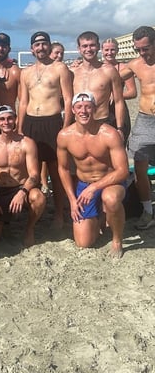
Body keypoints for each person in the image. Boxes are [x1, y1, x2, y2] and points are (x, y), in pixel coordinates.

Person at [57, 92, 128, 258]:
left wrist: (95, 187)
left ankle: (117, 239)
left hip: (111, 183)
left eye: (88, 106)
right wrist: (72, 200)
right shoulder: (64, 136)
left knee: (109, 198)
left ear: (95, 108)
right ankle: (100, 217)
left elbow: (123, 170)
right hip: (84, 184)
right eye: (79, 107)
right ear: (73, 109)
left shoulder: (109, 134)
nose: (84, 111)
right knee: (84, 243)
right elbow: (63, 169)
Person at [18, 31, 73, 229]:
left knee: (56, 171)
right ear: (32, 49)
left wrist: (65, 128)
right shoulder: (26, 72)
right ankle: (33, 211)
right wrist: (19, 128)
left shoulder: (60, 68)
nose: (40, 48)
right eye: (36, 44)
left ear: (49, 46)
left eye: (44, 44)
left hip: (52, 123)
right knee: (29, 171)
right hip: (31, 122)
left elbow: (68, 100)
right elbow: (23, 102)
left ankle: (59, 213)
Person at [0, 105, 45, 248]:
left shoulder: (27, 143)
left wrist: (22, 192)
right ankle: (3, 221)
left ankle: (29, 228)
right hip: (0, 191)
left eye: (10, 118)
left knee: (38, 198)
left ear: (15, 119)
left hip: (22, 187)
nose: (6, 122)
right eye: (2, 119)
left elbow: (34, 174)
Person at [120, 26, 155, 228]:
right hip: (144, 119)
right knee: (140, 167)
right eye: (138, 49)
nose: (143, 53)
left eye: (146, 48)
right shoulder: (135, 65)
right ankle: (148, 212)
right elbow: (110, 78)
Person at [71, 31, 125, 134]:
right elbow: (67, 100)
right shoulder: (72, 72)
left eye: (92, 45)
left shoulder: (109, 71)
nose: (88, 49)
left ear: (98, 46)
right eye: (85, 46)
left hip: (102, 122)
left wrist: (120, 128)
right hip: (79, 124)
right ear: (79, 49)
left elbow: (118, 101)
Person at [101, 37, 136, 145]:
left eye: (112, 49)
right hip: (101, 110)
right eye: (106, 50)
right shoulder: (97, 67)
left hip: (119, 109)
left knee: (120, 143)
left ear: (117, 50)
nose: (109, 53)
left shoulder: (123, 68)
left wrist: (116, 95)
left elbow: (132, 92)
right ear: (102, 51)